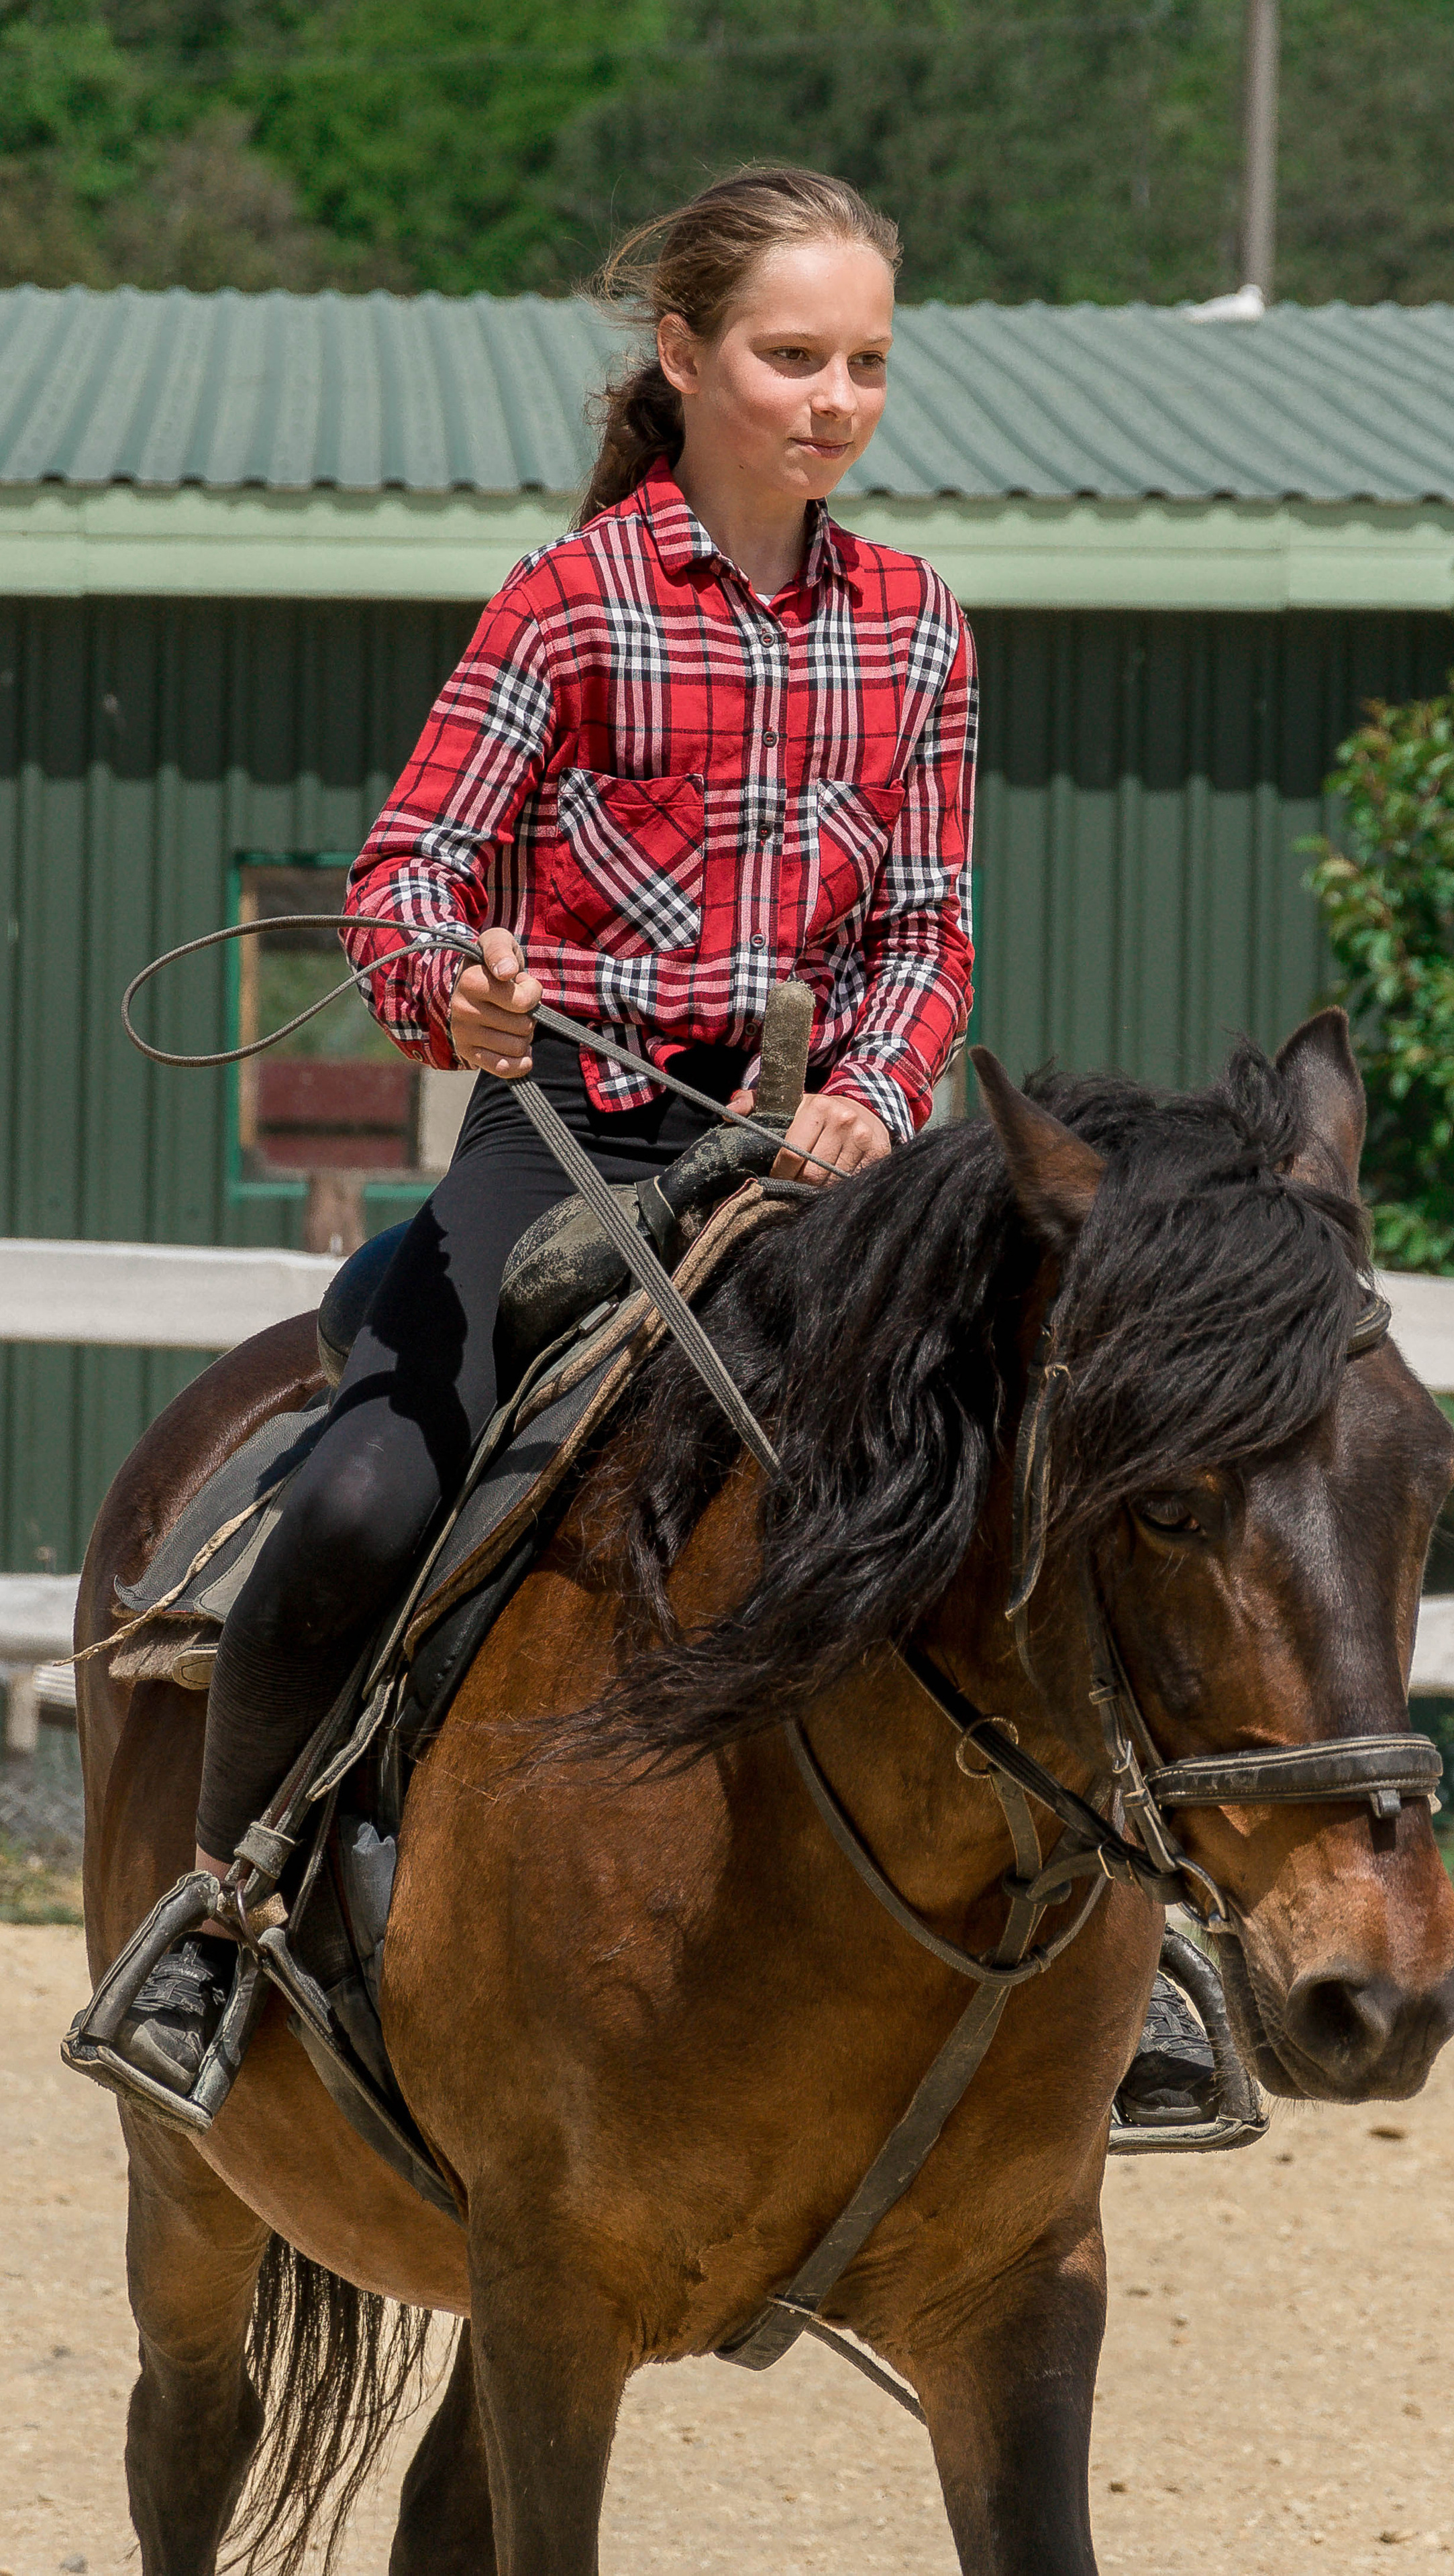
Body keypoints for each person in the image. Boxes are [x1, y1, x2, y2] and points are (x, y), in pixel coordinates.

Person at [115, 165, 978, 2095]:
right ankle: (222, 1921)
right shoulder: (571, 601)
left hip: (818, 1151)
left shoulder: (918, 633)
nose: (833, 400)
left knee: (1032, 1452)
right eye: (790, 357)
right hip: (574, 1127)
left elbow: (926, 926)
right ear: (684, 358)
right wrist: (460, 996)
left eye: (866, 363)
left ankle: (1124, 1945)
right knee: (358, 1498)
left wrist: (872, 1090)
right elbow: (406, 878)